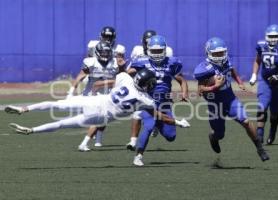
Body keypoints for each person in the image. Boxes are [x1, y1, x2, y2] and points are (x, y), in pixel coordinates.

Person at [5, 70, 190, 147]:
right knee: (62, 124)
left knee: (57, 104)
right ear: (147, 84)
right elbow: (159, 116)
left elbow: (126, 71)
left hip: (95, 101)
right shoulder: (145, 99)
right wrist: (178, 122)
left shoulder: (125, 78)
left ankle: (24, 109)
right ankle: (31, 131)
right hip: (100, 117)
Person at [194, 37, 269, 162]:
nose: (219, 56)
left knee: (245, 121)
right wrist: (215, 86)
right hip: (215, 105)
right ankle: (213, 137)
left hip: (230, 99)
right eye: (216, 54)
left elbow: (232, 70)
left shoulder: (226, 61)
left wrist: (239, 82)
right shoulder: (203, 68)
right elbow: (200, 90)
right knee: (219, 134)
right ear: (208, 53)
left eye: (221, 53)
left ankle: (260, 148)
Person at [127, 35, 189, 166]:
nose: (156, 54)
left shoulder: (172, 63)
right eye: (154, 51)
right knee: (148, 126)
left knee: (171, 136)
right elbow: (128, 74)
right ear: (148, 50)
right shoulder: (141, 62)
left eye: (159, 51)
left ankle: (158, 123)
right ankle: (138, 156)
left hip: (165, 103)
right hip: (148, 101)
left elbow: (182, 80)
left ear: (164, 50)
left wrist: (184, 94)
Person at [67, 41, 126, 149]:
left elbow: (122, 76)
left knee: (103, 117)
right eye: (103, 52)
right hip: (91, 93)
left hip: (106, 93)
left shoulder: (115, 62)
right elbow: (81, 76)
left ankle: (96, 139)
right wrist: (71, 92)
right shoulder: (90, 62)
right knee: (95, 117)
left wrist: (123, 67)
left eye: (107, 52)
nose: (105, 54)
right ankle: (90, 140)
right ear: (97, 52)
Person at [126, 30, 175, 150]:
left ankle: (157, 125)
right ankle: (133, 141)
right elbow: (130, 71)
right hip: (142, 89)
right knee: (137, 114)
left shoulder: (166, 54)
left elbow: (168, 74)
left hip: (159, 91)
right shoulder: (138, 52)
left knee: (170, 134)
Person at [249, 24, 278, 144]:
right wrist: (254, 74)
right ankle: (259, 135)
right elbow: (257, 61)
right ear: (266, 36)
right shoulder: (261, 45)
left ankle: (272, 131)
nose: (273, 39)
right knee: (261, 107)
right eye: (271, 36)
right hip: (265, 81)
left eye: (276, 36)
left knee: (274, 112)